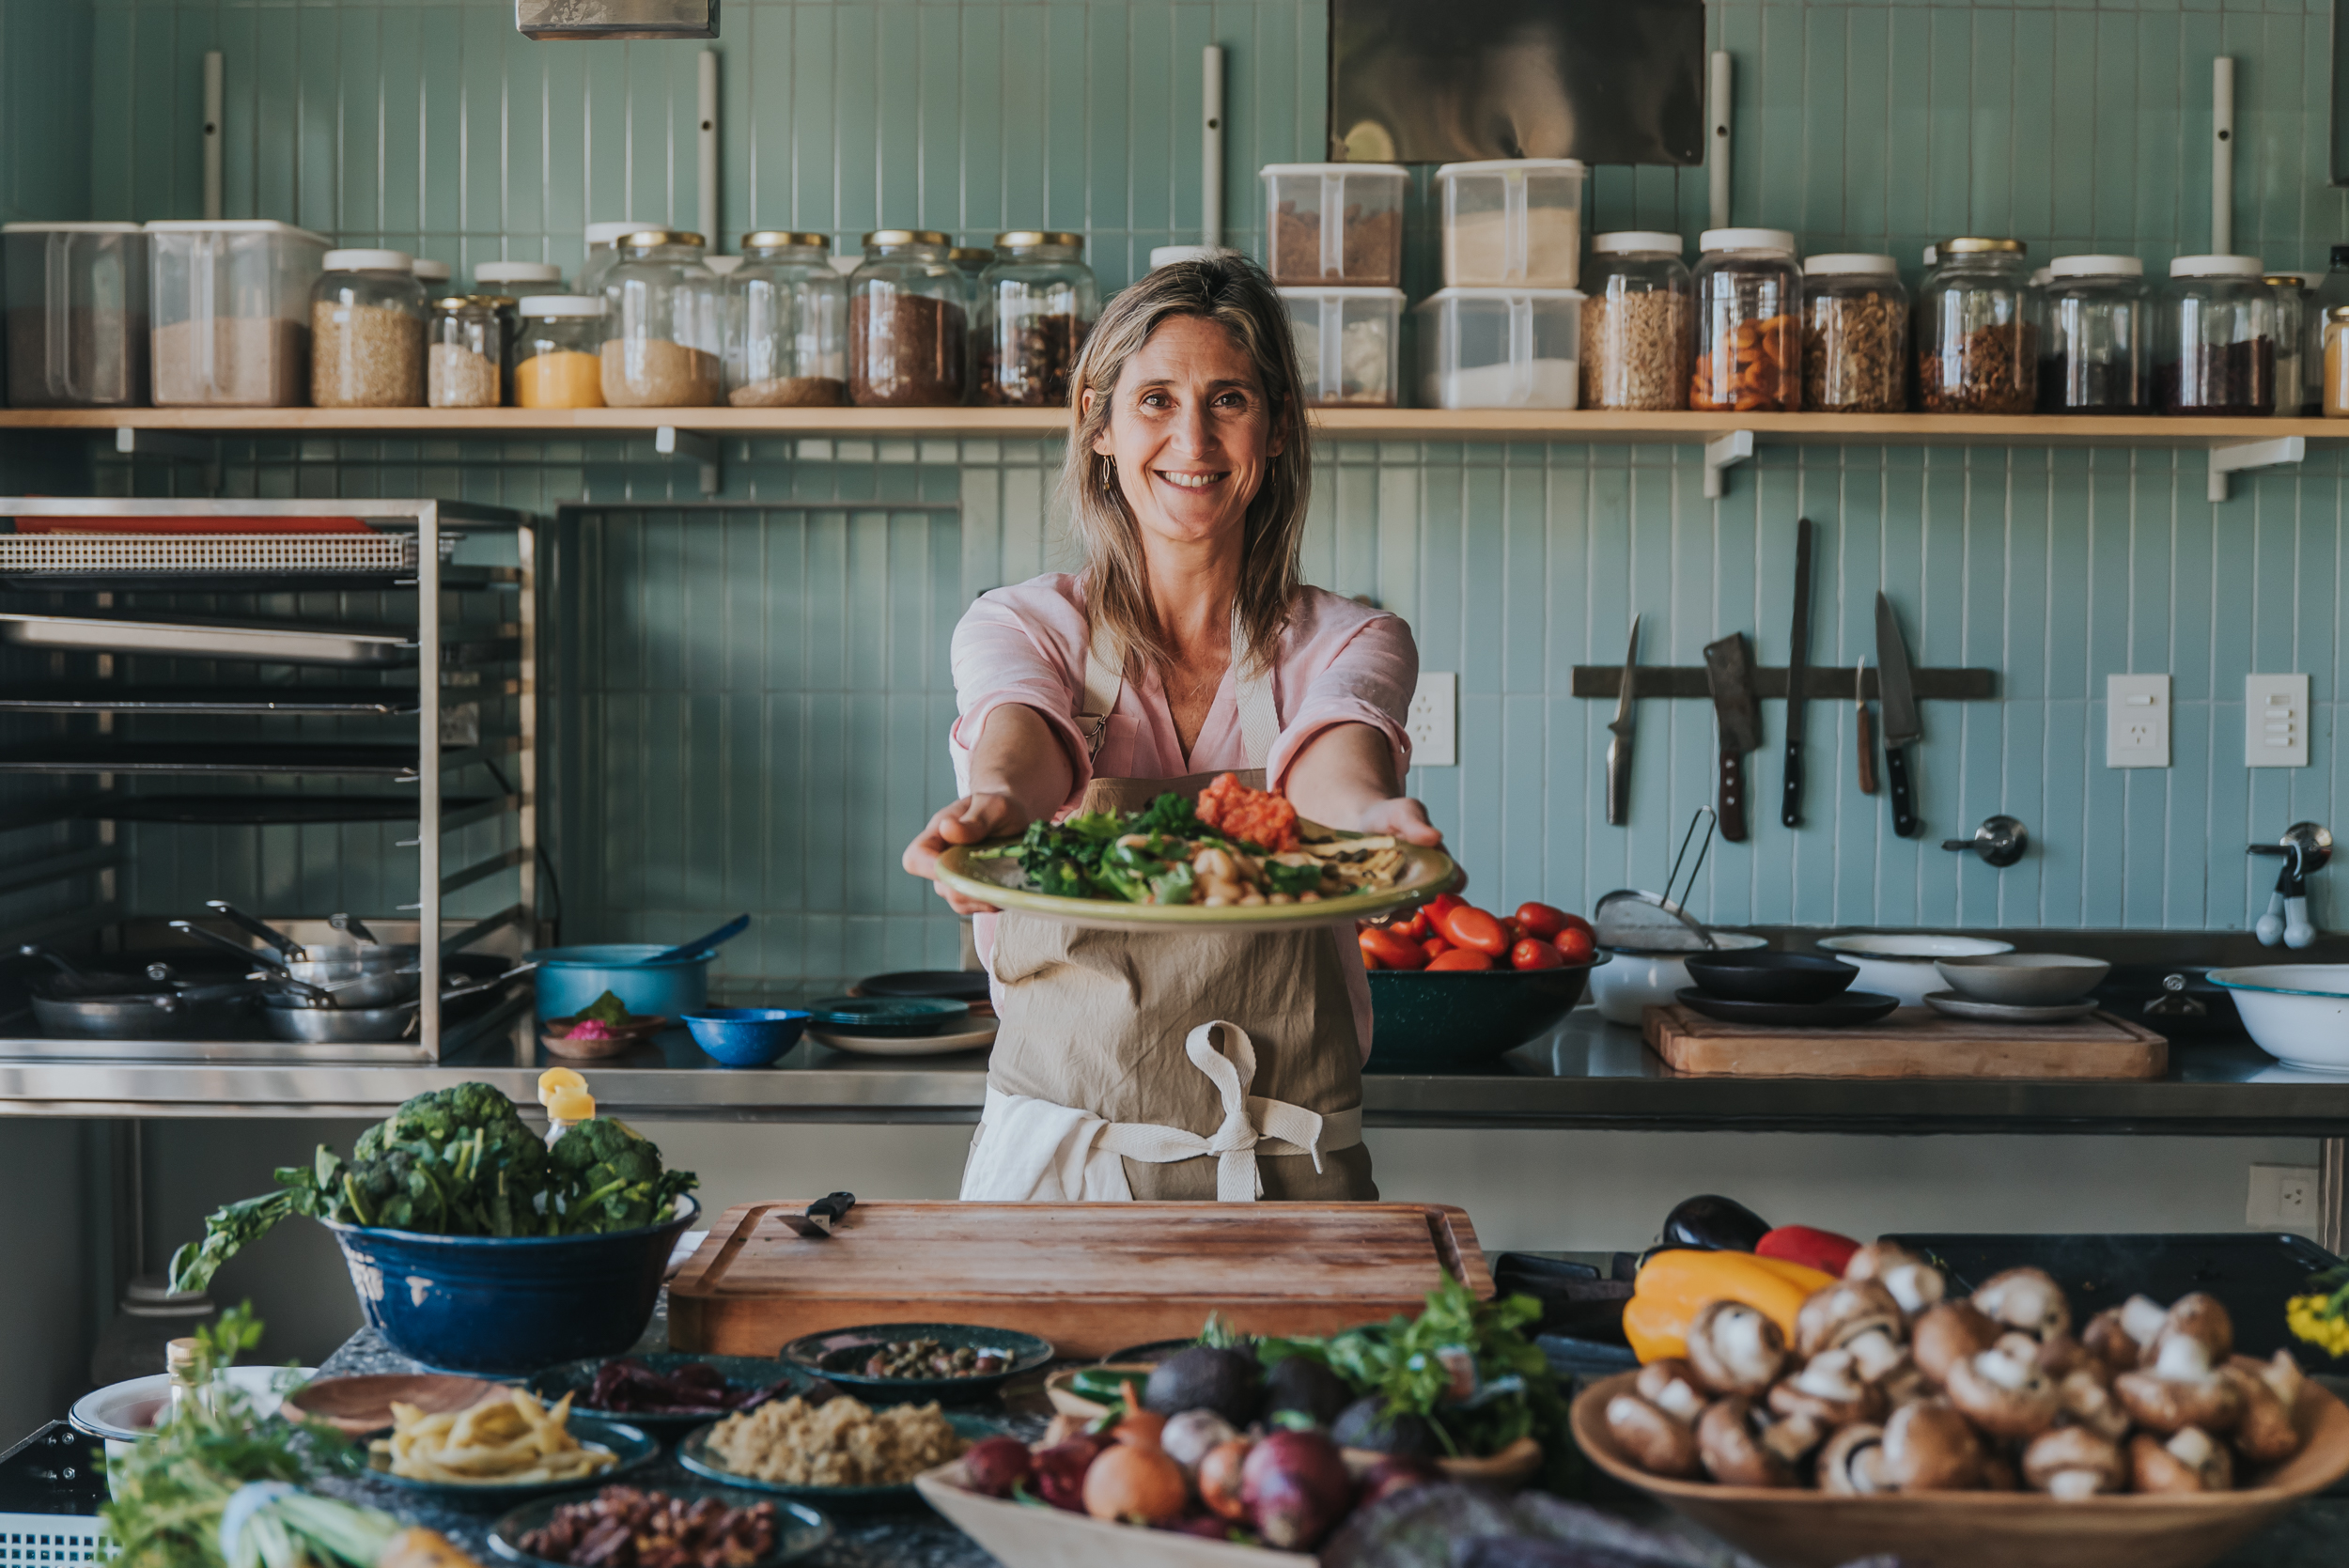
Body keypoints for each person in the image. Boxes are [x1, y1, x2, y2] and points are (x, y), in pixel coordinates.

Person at [902, 255, 1443, 1203]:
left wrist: (1370, 818)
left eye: (1227, 399)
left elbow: (1333, 756)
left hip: (1287, 1168)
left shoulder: (1353, 637)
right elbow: (1023, 740)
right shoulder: (1023, 625)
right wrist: (993, 806)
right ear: (1098, 424)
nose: (1191, 437)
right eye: (1154, 399)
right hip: (1061, 1171)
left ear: (1273, 428)